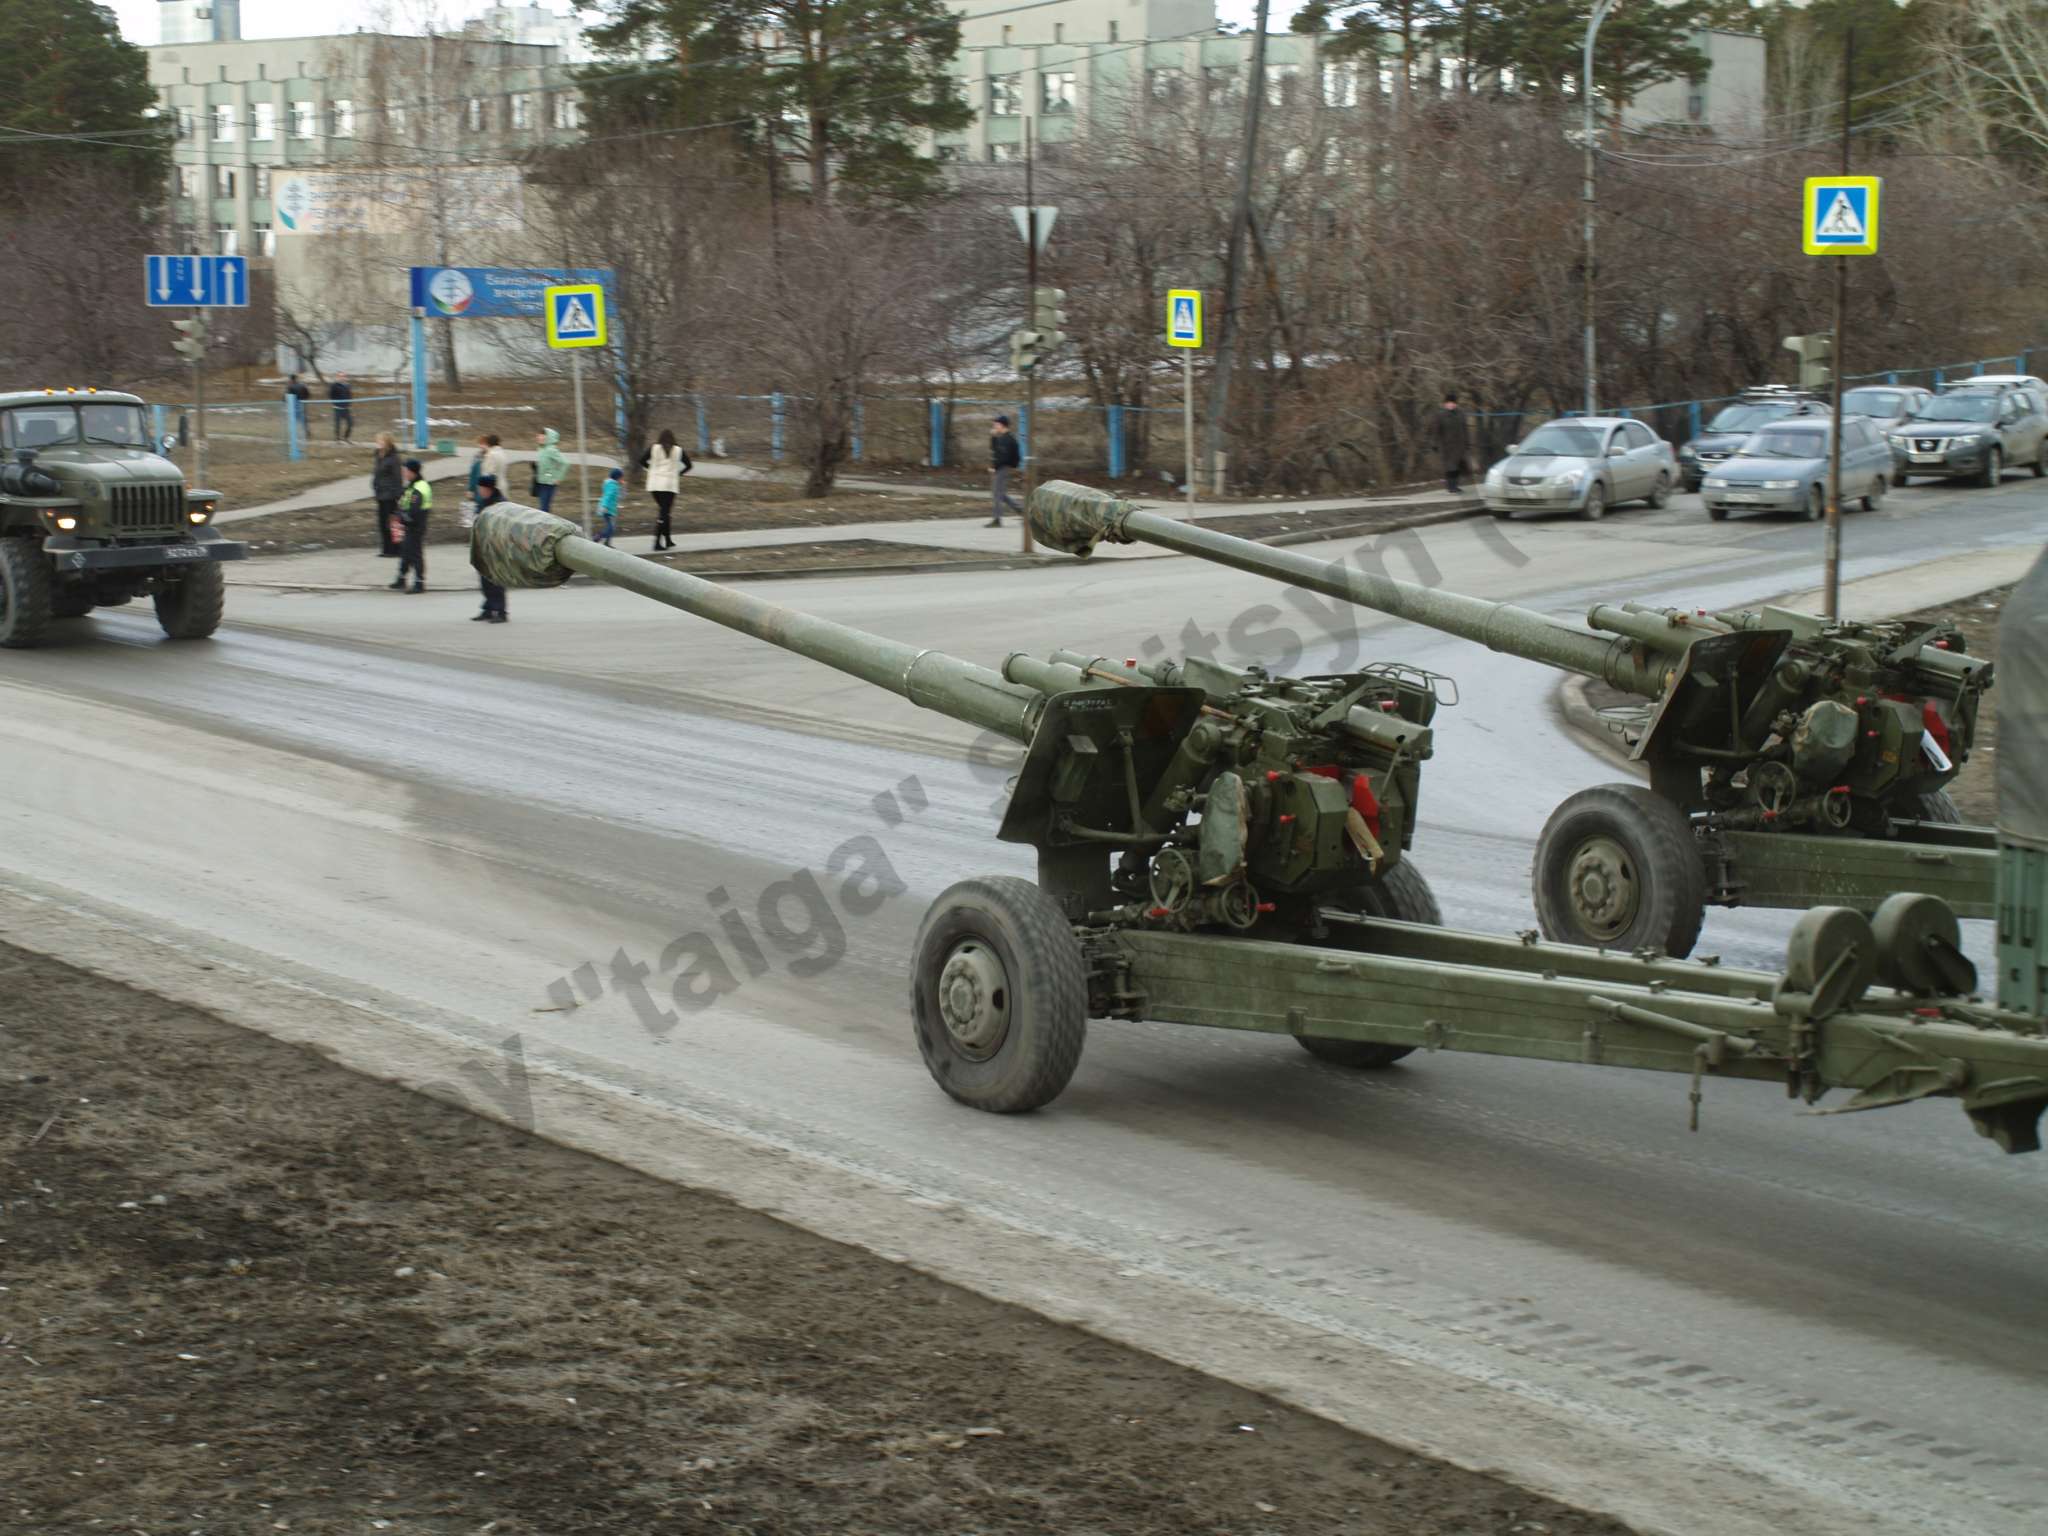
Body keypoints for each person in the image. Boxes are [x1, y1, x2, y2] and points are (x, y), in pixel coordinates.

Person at [638, 428, 691, 551]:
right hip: (669, 485)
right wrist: (679, 473)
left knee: (665, 512)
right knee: (664, 513)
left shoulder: (653, 448)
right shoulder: (678, 450)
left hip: (654, 485)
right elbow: (689, 465)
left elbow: (641, 461)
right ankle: (656, 542)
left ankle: (667, 540)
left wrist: (651, 469)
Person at [473, 474, 509, 623]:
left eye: (481, 488)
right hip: (483, 545)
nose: (479, 491)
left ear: (488, 488)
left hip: (496, 547)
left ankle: (501, 612)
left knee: (496, 581)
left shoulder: (500, 504)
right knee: (484, 580)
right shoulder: (483, 502)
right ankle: (488, 609)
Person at [391, 459, 431, 593]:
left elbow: (414, 511)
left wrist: (402, 516)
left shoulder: (419, 488)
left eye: (405, 471)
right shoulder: (413, 485)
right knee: (406, 552)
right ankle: (401, 578)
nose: (403, 473)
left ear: (412, 472)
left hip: (415, 525)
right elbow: (404, 502)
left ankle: (419, 583)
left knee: (414, 554)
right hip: (409, 524)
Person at [370, 433, 404, 558]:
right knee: (382, 523)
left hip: (390, 495)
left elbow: (397, 477)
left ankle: (395, 549)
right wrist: (374, 486)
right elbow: (377, 474)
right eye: (377, 440)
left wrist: (398, 494)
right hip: (380, 495)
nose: (378, 442)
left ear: (387, 442)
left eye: (381, 440)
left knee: (392, 523)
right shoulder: (379, 456)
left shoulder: (393, 458)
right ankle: (386, 549)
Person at [1432, 392, 1471, 495]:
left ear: (1456, 404)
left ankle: (1455, 486)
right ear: (1445, 404)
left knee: (1457, 467)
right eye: (1449, 403)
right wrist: (1435, 443)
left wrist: (1467, 443)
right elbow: (1436, 430)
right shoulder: (1440, 415)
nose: (1451, 405)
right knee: (1450, 467)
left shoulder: (1461, 414)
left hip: (1459, 445)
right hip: (1447, 446)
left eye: (1453, 403)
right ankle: (1451, 486)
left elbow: (1465, 429)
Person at [988, 414, 1022, 527]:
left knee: (996, 494)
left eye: (996, 424)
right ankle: (1023, 511)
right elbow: (995, 450)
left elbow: (1005, 457)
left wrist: (995, 466)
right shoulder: (1002, 438)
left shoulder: (1008, 439)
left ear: (1002, 425)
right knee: (1001, 494)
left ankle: (997, 520)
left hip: (1003, 468)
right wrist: (993, 437)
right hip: (1001, 467)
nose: (994, 426)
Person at [532, 427, 567, 514]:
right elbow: (547, 464)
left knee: (544, 509)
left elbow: (565, 463)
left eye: (542, 435)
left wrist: (559, 478)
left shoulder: (551, 450)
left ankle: (546, 526)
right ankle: (547, 526)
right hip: (541, 482)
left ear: (548, 437)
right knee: (544, 508)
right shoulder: (541, 449)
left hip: (549, 483)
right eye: (538, 435)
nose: (539, 437)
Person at [597, 466, 622, 545]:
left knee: (611, 527)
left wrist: (622, 486)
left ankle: (607, 543)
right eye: (621, 477)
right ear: (617, 477)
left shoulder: (612, 485)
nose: (622, 479)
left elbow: (620, 496)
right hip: (607, 509)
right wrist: (604, 506)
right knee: (610, 527)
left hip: (610, 509)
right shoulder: (612, 486)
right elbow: (607, 496)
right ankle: (598, 537)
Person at [329, 373, 355, 441]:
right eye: (340, 376)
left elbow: (349, 395)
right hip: (338, 408)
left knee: (350, 423)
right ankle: (337, 439)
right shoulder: (334, 385)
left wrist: (349, 404)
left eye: (343, 376)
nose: (342, 378)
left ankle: (346, 437)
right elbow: (331, 395)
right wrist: (334, 404)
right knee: (337, 424)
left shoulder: (348, 385)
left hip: (346, 408)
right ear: (337, 377)